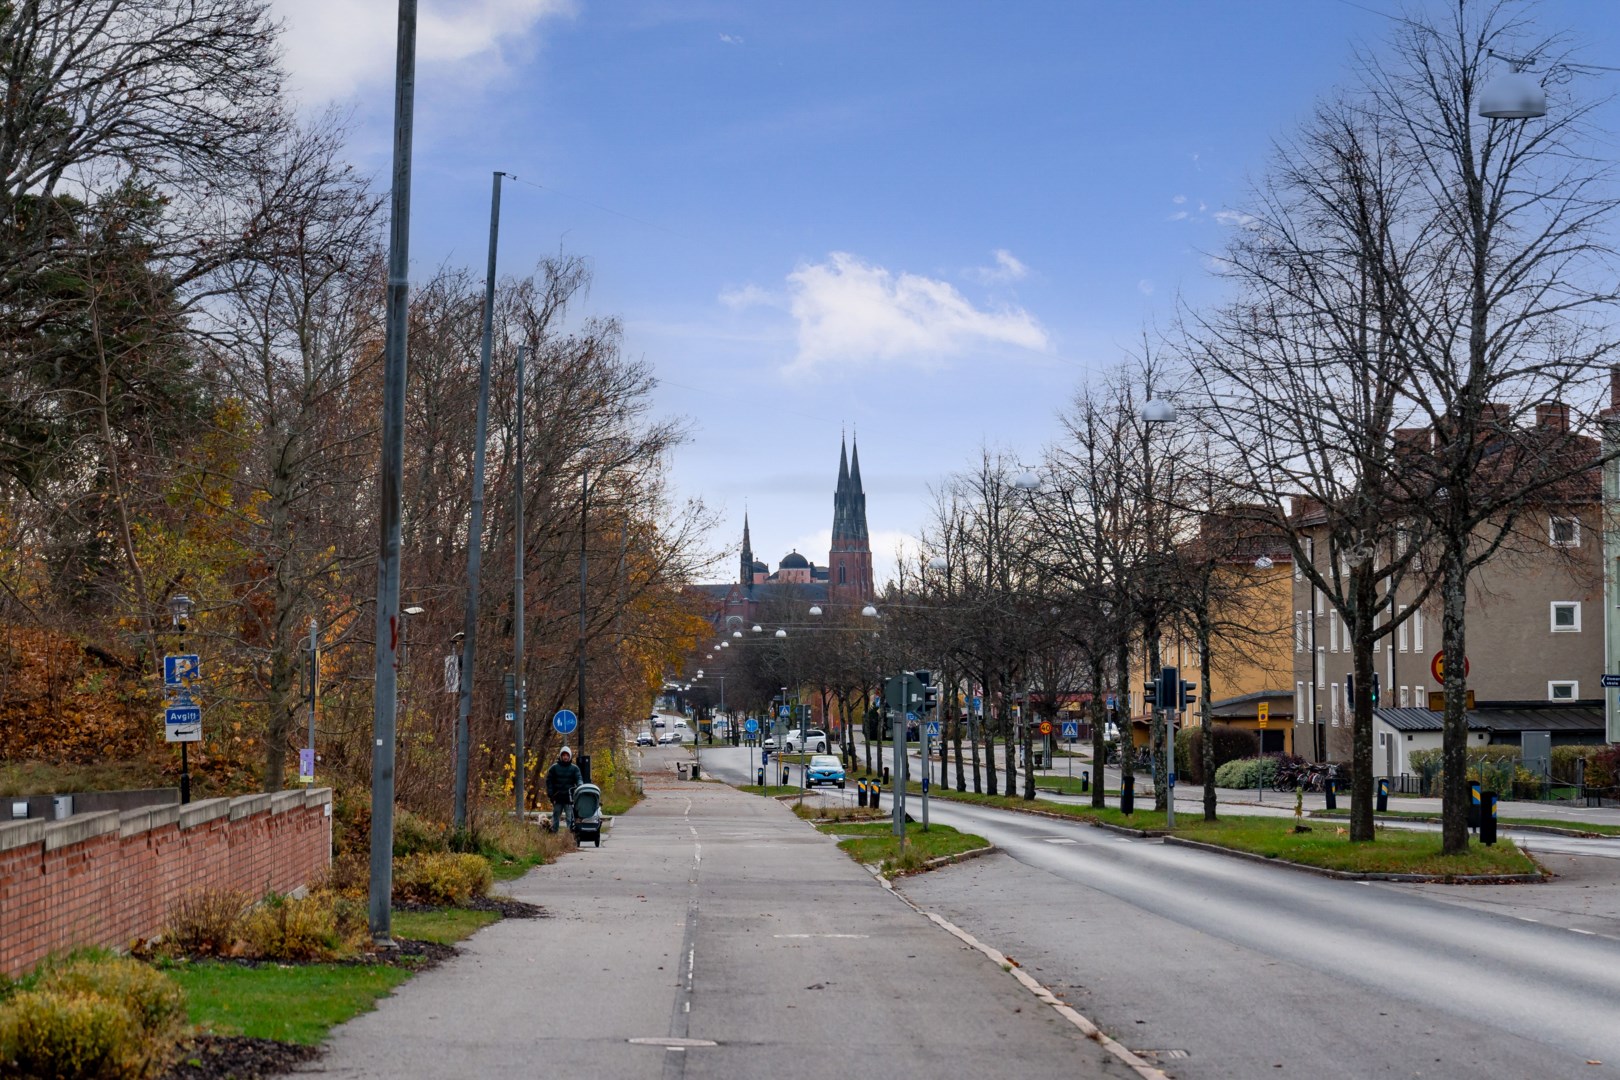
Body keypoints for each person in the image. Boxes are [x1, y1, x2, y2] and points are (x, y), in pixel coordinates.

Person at [545, 746, 583, 832]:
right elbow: (549, 781)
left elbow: (579, 778)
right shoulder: (554, 768)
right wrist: (550, 793)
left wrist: (580, 785)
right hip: (557, 797)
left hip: (569, 797)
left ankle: (569, 834)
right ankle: (554, 833)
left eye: (567, 755)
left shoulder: (574, 768)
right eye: (564, 755)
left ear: (570, 756)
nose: (565, 757)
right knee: (556, 816)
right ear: (561, 756)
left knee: (569, 817)